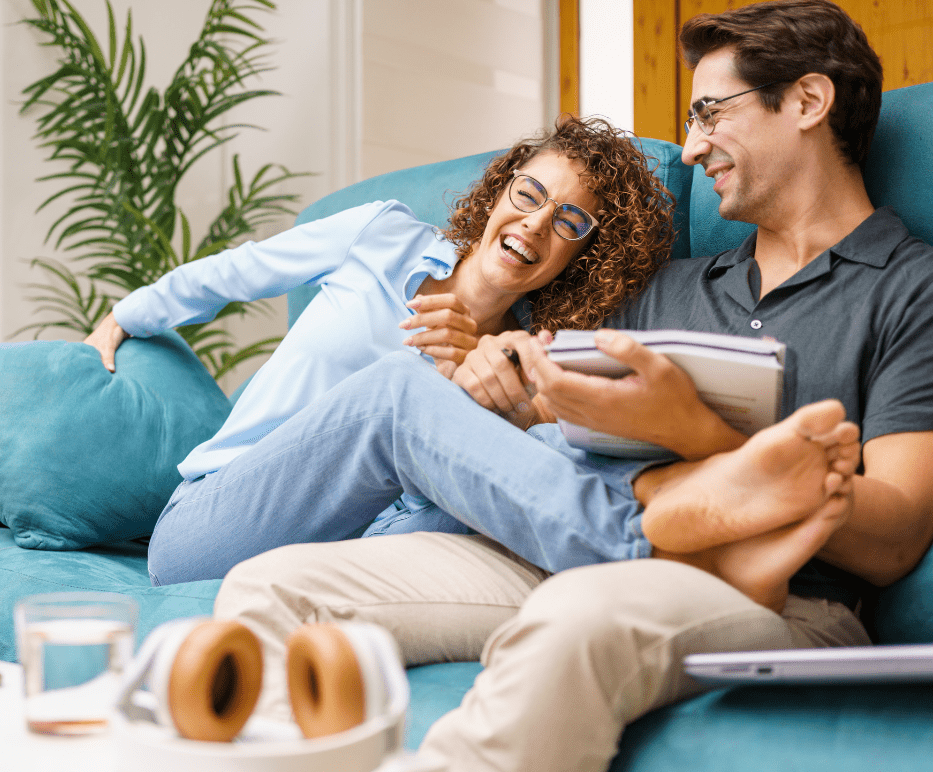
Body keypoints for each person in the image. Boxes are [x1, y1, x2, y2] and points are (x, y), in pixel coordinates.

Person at [212, 0, 933, 772]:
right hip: (580, 547)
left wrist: (701, 434)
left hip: (788, 597)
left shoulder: (908, 289)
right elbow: (553, 417)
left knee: (576, 617)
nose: (692, 150)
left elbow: (893, 538)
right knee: (269, 589)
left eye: (710, 112)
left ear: (807, 101)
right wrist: (502, 382)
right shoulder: (671, 289)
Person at [84, 115, 676, 581]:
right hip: (213, 527)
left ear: (583, 256)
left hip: (358, 559)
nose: (537, 223)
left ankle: (649, 547)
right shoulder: (382, 236)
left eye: (571, 221)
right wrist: (127, 313)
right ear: (500, 192)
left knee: (543, 436)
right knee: (397, 389)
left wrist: (499, 408)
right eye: (530, 194)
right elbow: (237, 272)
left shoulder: (517, 360)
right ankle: (638, 552)